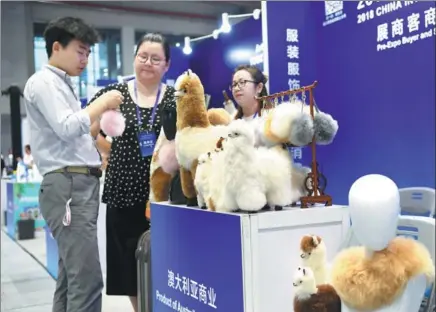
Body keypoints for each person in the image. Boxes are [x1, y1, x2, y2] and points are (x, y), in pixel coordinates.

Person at [23, 17, 124, 312]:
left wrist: (96, 124)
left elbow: (73, 136)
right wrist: (102, 103)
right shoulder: (42, 82)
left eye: (88, 54)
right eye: (80, 51)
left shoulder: (61, 85)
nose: (85, 59)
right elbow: (68, 127)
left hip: (77, 185)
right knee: (87, 280)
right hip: (68, 188)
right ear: (56, 47)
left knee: (72, 279)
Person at [89, 33, 176, 312]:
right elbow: (89, 127)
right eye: (143, 56)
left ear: (166, 65)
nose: (148, 63)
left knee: (168, 259)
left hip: (164, 195)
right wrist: (109, 152)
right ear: (134, 58)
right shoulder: (115, 94)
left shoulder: (174, 98)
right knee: (128, 263)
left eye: (155, 58)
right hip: (123, 192)